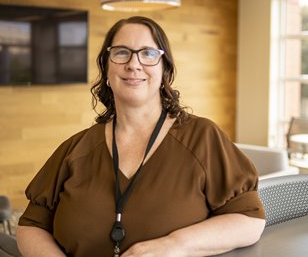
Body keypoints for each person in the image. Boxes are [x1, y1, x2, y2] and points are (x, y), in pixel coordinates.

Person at [16, 16, 266, 257]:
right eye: (121, 52)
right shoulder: (75, 148)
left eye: (148, 54)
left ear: (164, 68)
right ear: (106, 67)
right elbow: (30, 225)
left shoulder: (203, 138)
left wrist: (174, 245)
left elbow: (249, 220)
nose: (134, 64)